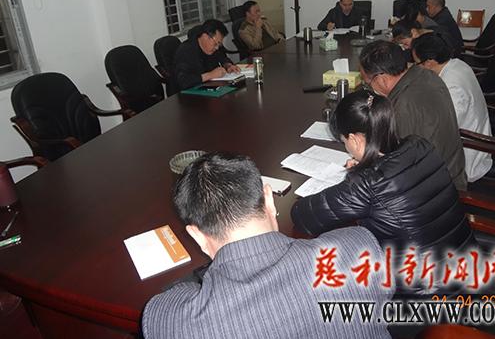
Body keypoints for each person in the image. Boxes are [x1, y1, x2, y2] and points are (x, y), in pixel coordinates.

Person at [142, 153, 393, 339]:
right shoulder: (357, 249)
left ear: (196, 236)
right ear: (269, 200)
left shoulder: (177, 323)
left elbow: (164, 305)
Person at [291, 91, 476, 293]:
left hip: (425, 296)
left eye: (344, 141)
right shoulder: (420, 146)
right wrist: (365, 166)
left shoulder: (368, 183)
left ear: (354, 139)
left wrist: (357, 176)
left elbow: (303, 216)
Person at [359, 40, 467, 191]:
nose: (370, 88)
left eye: (368, 83)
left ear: (382, 79)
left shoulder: (402, 107)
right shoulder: (425, 75)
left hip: (437, 190)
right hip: (451, 171)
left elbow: (398, 166)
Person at [412, 33, 492, 182]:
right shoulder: (458, 64)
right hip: (468, 134)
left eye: (417, 63)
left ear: (429, 62)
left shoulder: (452, 87)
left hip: (466, 153)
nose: (417, 67)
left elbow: (444, 130)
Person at [172, 19, 240, 91]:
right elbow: (183, 82)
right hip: (187, 94)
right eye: (216, 44)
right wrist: (210, 75)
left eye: (219, 44)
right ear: (205, 36)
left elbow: (222, 57)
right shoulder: (185, 51)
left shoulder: (212, 48)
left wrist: (228, 65)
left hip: (207, 88)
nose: (217, 48)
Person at [391, 19, 461, 58]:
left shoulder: (436, 41)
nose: (406, 48)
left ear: (414, 32)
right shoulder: (426, 31)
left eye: (405, 44)